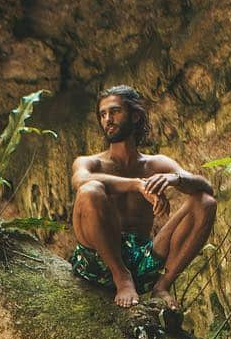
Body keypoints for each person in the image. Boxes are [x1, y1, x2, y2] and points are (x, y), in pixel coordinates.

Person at [70, 86, 216, 309]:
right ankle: (121, 277)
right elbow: (80, 181)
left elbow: (206, 187)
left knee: (205, 202)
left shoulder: (156, 164)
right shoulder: (90, 162)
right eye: (103, 114)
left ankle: (162, 286)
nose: (107, 119)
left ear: (135, 116)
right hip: (96, 262)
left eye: (115, 112)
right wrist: (137, 185)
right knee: (90, 191)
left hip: (142, 259)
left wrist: (174, 178)